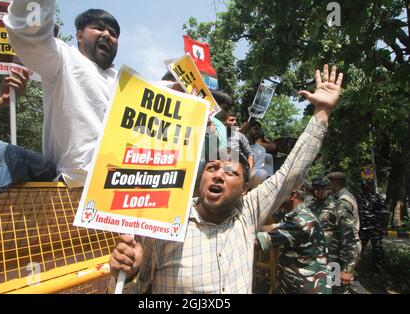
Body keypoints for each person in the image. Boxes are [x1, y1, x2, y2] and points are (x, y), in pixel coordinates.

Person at [108, 64, 344, 294]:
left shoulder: (248, 213)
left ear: (244, 189)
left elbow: (291, 172)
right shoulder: (163, 227)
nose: (219, 174)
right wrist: (128, 275)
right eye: (212, 167)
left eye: (231, 172)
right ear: (201, 177)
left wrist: (322, 112)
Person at [4, 2, 120, 188]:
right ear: (79, 36)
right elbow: (27, 35)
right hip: (71, 190)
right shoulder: (63, 58)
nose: (107, 34)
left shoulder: (123, 81)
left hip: (121, 191)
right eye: (99, 28)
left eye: (113, 34)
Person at [257, 190, 331, 294]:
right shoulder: (298, 215)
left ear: (293, 195)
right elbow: (273, 228)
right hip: (297, 284)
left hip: (307, 287)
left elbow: (261, 241)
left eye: (278, 193)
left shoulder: (300, 221)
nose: (273, 198)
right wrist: (254, 227)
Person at [308, 176, 358, 294]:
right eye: (317, 188)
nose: (320, 191)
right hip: (315, 261)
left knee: (335, 290)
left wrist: (347, 269)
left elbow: (349, 240)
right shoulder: (310, 207)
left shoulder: (339, 208)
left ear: (329, 189)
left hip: (334, 262)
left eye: (323, 188)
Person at [356, 179, 388, 273]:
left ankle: (379, 269)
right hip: (363, 228)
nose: (365, 188)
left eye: (367, 186)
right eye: (363, 186)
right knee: (359, 249)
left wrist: (380, 225)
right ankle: (355, 268)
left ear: (370, 187)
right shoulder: (358, 198)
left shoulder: (376, 198)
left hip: (374, 228)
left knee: (378, 250)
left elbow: (384, 212)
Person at [327, 171, 361, 256]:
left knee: (344, 269)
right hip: (346, 244)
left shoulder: (344, 199)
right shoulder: (339, 196)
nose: (327, 186)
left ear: (334, 183)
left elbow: (346, 228)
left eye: (329, 183)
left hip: (348, 246)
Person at [219, 109, 254, 174]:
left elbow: (250, 155)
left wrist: (249, 173)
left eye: (235, 120)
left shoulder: (240, 136)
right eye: (231, 120)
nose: (235, 122)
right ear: (224, 122)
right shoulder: (217, 134)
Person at [244, 120, 269, 188]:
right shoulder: (239, 141)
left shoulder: (261, 150)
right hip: (235, 173)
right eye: (255, 129)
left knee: (262, 173)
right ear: (248, 129)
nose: (258, 131)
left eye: (259, 130)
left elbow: (257, 167)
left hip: (249, 177)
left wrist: (246, 177)